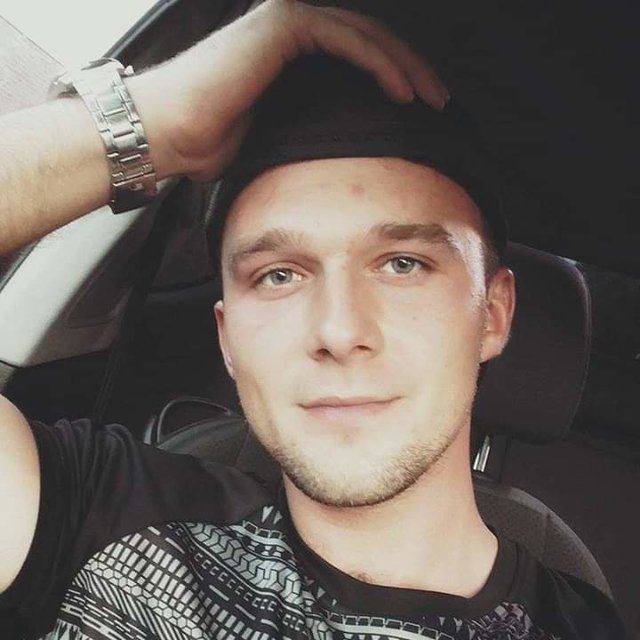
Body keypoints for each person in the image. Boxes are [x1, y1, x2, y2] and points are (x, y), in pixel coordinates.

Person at [0, 1, 628, 638]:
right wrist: (162, 125)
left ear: (492, 315)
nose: (338, 331)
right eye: (279, 275)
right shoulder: (96, 511)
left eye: (403, 264)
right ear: (226, 337)